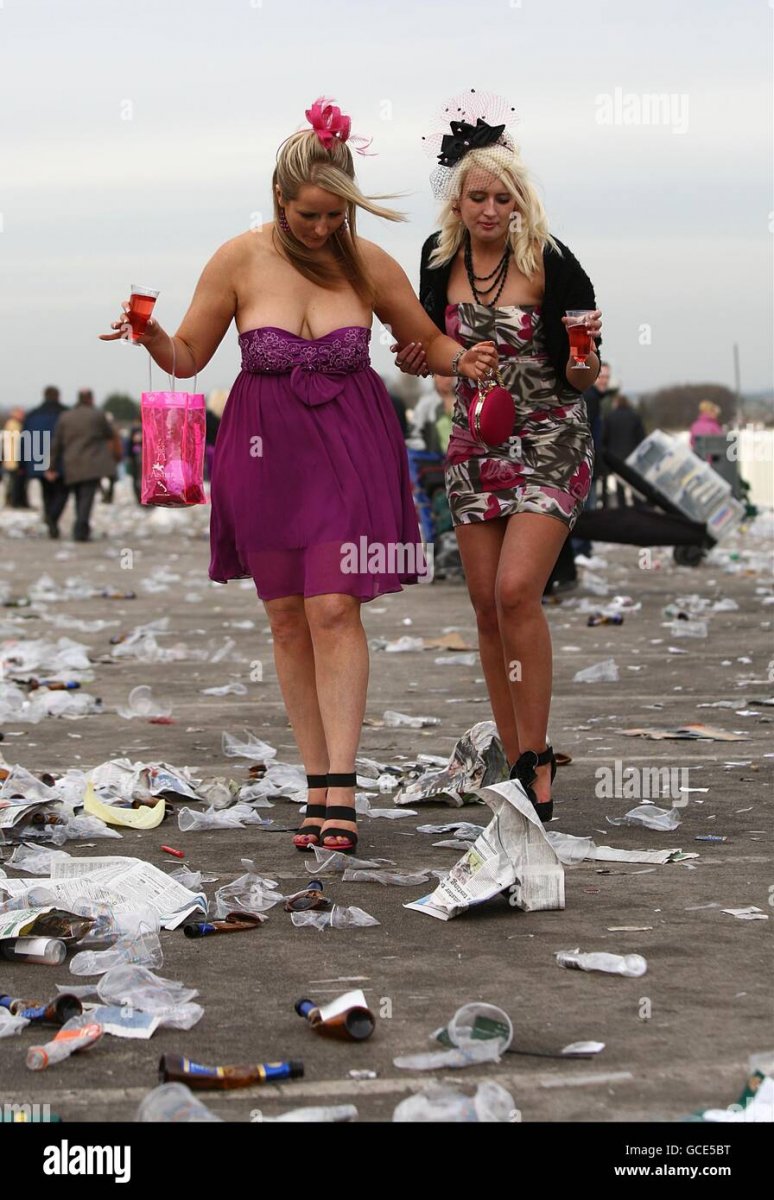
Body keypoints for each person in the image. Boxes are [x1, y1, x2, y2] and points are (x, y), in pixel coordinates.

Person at [100, 97, 497, 854]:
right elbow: (189, 358)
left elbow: (426, 341)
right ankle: (313, 784)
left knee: (333, 610)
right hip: (263, 455)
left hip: (351, 451)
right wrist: (152, 336)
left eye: (335, 217)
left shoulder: (368, 262)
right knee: (287, 618)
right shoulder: (238, 259)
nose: (322, 230)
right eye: (309, 216)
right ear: (279, 199)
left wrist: (464, 359)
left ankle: (340, 792)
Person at [394, 90, 602, 823]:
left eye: (501, 196)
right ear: (457, 202)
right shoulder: (435, 260)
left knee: (518, 592)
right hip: (474, 443)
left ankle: (537, 760)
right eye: (476, 196)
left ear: (519, 199)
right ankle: (513, 767)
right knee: (485, 608)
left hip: (550, 438)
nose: (489, 209)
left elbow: (583, 376)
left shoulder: (551, 260)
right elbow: (427, 359)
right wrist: (426, 356)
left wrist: (584, 351)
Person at [46, 390, 118, 541]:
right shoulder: (97, 415)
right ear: (91, 399)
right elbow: (110, 433)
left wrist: (51, 466)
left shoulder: (65, 417)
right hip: (91, 463)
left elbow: (56, 443)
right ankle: (81, 529)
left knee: (75, 495)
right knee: (86, 498)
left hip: (71, 463)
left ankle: (53, 519)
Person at [23, 386, 69, 536]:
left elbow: (25, 440)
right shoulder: (66, 414)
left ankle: (50, 517)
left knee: (46, 492)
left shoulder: (32, 415)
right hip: (61, 460)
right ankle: (52, 518)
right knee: (62, 491)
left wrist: (23, 463)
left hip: (39, 459)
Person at [601, 394, 645, 507]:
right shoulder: (635, 416)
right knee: (635, 487)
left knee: (620, 486)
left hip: (616, 457)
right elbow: (641, 438)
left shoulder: (609, 417)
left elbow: (604, 437)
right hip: (633, 456)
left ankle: (622, 509)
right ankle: (638, 510)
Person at [582, 360, 611, 509]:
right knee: (589, 510)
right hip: (588, 465)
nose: (604, 381)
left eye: (607, 377)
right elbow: (588, 434)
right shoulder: (591, 398)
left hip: (590, 463)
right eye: (601, 377)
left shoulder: (594, 397)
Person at [2, 407, 32, 509]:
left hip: (12, 459)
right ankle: (16, 502)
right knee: (17, 483)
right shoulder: (15, 426)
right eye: (21, 414)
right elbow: (18, 444)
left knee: (15, 482)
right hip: (15, 459)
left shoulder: (10, 424)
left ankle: (15, 501)